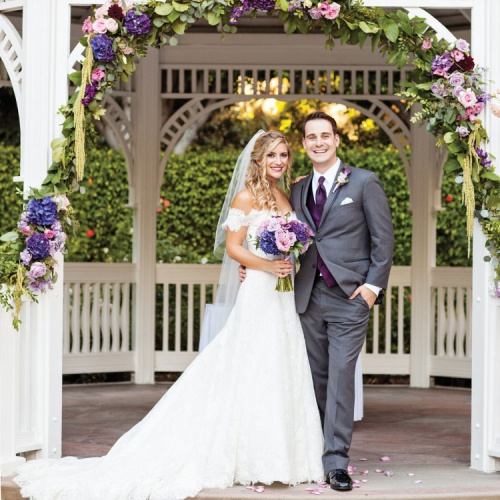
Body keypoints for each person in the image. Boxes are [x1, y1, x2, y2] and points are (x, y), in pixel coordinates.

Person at [14, 131, 324, 500]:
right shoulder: (246, 196)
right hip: (260, 290)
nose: (278, 161)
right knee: (251, 363)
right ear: (257, 159)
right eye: (271, 155)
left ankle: (284, 457)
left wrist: (285, 258)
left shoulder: (283, 195)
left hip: (281, 294)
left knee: (280, 364)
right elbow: (234, 248)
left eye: (284, 155)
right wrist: (266, 266)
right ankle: (249, 456)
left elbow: (289, 240)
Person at [290, 111, 394, 491]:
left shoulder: (364, 182)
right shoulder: (297, 189)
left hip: (350, 297)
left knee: (340, 376)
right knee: (315, 378)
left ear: (336, 140)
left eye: (324, 135)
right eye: (310, 136)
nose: (318, 142)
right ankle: (315, 449)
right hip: (308, 295)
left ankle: (336, 462)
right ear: (304, 144)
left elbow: (384, 241)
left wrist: (371, 289)